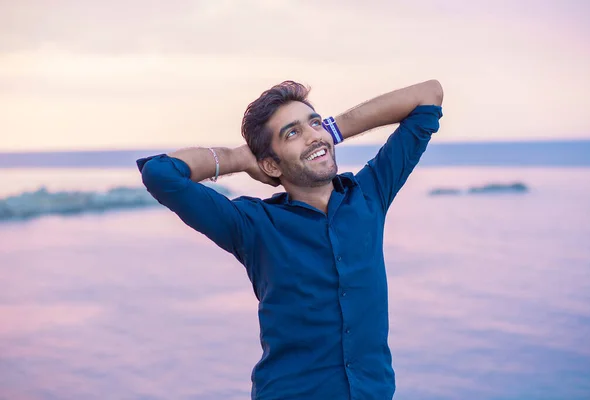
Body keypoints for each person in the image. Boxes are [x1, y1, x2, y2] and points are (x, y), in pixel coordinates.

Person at [137, 79, 444, 400]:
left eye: (315, 122)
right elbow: (160, 174)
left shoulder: (369, 194)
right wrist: (240, 158)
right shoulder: (251, 225)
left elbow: (428, 95)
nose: (312, 134)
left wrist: (327, 133)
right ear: (270, 164)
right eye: (292, 133)